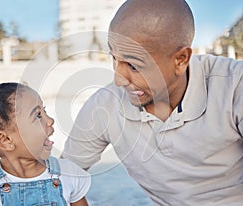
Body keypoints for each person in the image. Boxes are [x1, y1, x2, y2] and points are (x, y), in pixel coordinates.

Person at [62, 0, 243, 205]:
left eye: (134, 65)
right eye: (114, 58)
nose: (118, 80)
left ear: (181, 59)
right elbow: (61, 180)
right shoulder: (106, 105)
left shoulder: (234, 86)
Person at [0, 74, 91, 206]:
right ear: (5, 140)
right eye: (37, 115)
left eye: (45, 111)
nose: (50, 121)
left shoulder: (69, 174)